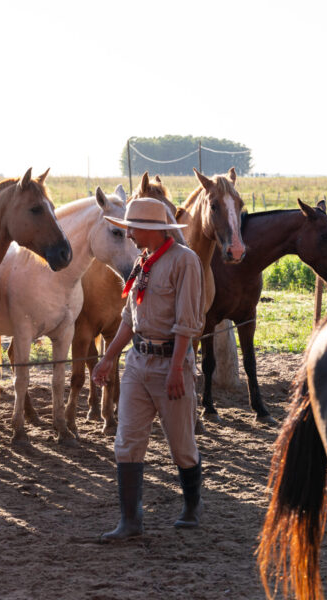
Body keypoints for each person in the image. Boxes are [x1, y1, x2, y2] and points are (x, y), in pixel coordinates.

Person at [91, 197, 204, 541]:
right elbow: (129, 318)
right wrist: (109, 357)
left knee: (181, 445)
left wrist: (175, 370)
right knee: (126, 441)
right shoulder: (144, 261)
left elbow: (187, 322)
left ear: (151, 229)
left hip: (171, 363)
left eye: (133, 229)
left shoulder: (185, 262)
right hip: (137, 363)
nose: (129, 236)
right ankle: (130, 521)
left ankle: (192, 506)